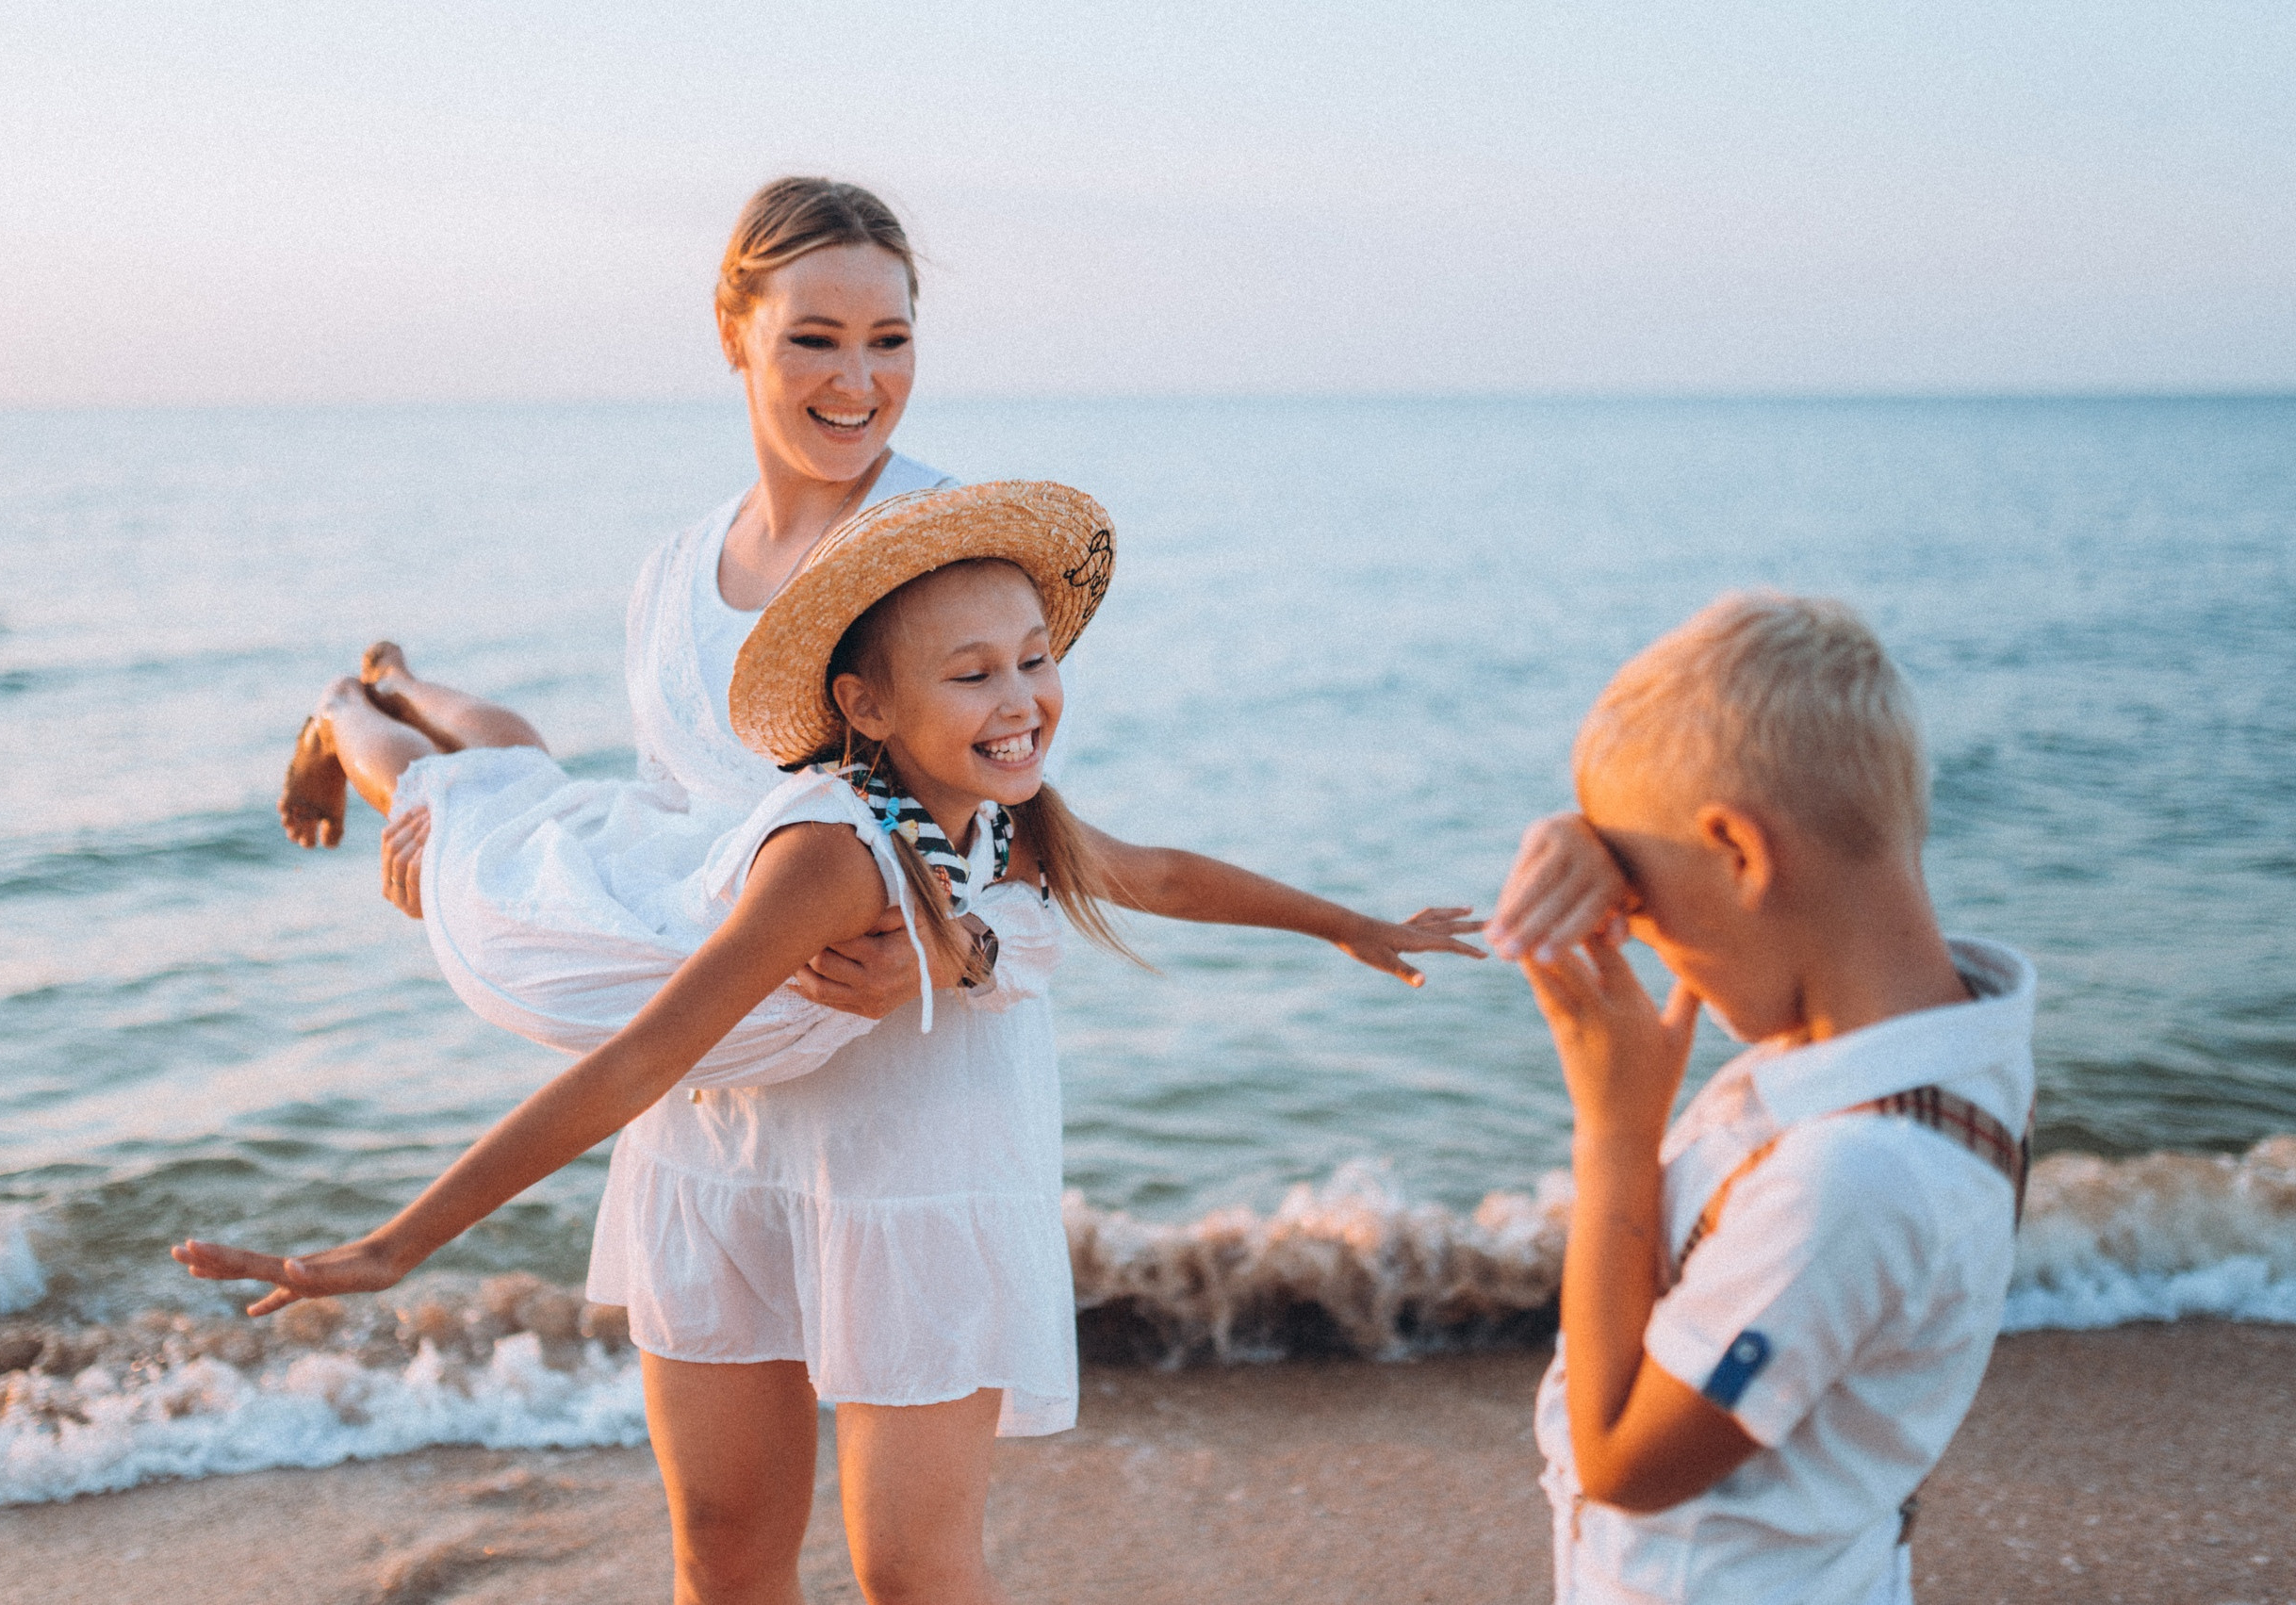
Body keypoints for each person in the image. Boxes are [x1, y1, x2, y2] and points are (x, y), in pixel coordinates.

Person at [181, 483, 1485, 1605]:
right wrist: (392, 1243)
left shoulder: (998, 807)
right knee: (455, 796)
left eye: (1034, 655)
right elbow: (637, 1060)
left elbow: (1162, 874)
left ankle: (403, 673)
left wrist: (1350, 921)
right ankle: (355, 698)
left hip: (683, 918)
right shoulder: (831, 858)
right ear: (868, 704)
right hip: (575, 921)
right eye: (972, 674)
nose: (1023, 696)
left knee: (526, 766)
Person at [277, 175, 961, 1039]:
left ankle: (387, 685)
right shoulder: (674, 572)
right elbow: (660, 812)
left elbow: (1039, 841)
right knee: (481, 814)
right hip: (706, 1065)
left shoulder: (945, 546)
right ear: (732, 334)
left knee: (513, 795)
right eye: (816, 339)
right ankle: (351, 703)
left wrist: (955, 951)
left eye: (890, 340)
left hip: (905, 1091)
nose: (859, 380)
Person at [1491, 592, 2036, 1605]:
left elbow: (1617, 1463)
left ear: (1740, 851)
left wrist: (1615, 1130)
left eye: (1641, 902)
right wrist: (1609, 828)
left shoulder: (1854, 1181)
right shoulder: (1946, 1042)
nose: (1637, 935)